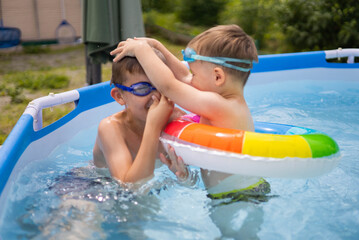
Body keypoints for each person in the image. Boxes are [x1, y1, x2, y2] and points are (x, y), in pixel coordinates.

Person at [111, 24, 271, 237]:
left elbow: (170, 86)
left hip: (239, 195)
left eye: (194, 73)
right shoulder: (223, 100)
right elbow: (183, 79)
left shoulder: (221, 106)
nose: (189, 78)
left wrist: (142, 50)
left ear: (217, 77)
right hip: (237, 192)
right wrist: (158, 46)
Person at [93, 54, 185, 185]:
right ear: (119, 96)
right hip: (94, 184)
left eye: (161, 85)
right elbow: (128, 187)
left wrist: (184, 177)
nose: (155, 96)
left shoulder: (176, 119)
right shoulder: (111, 128)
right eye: (142, 88)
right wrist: (153, 127)